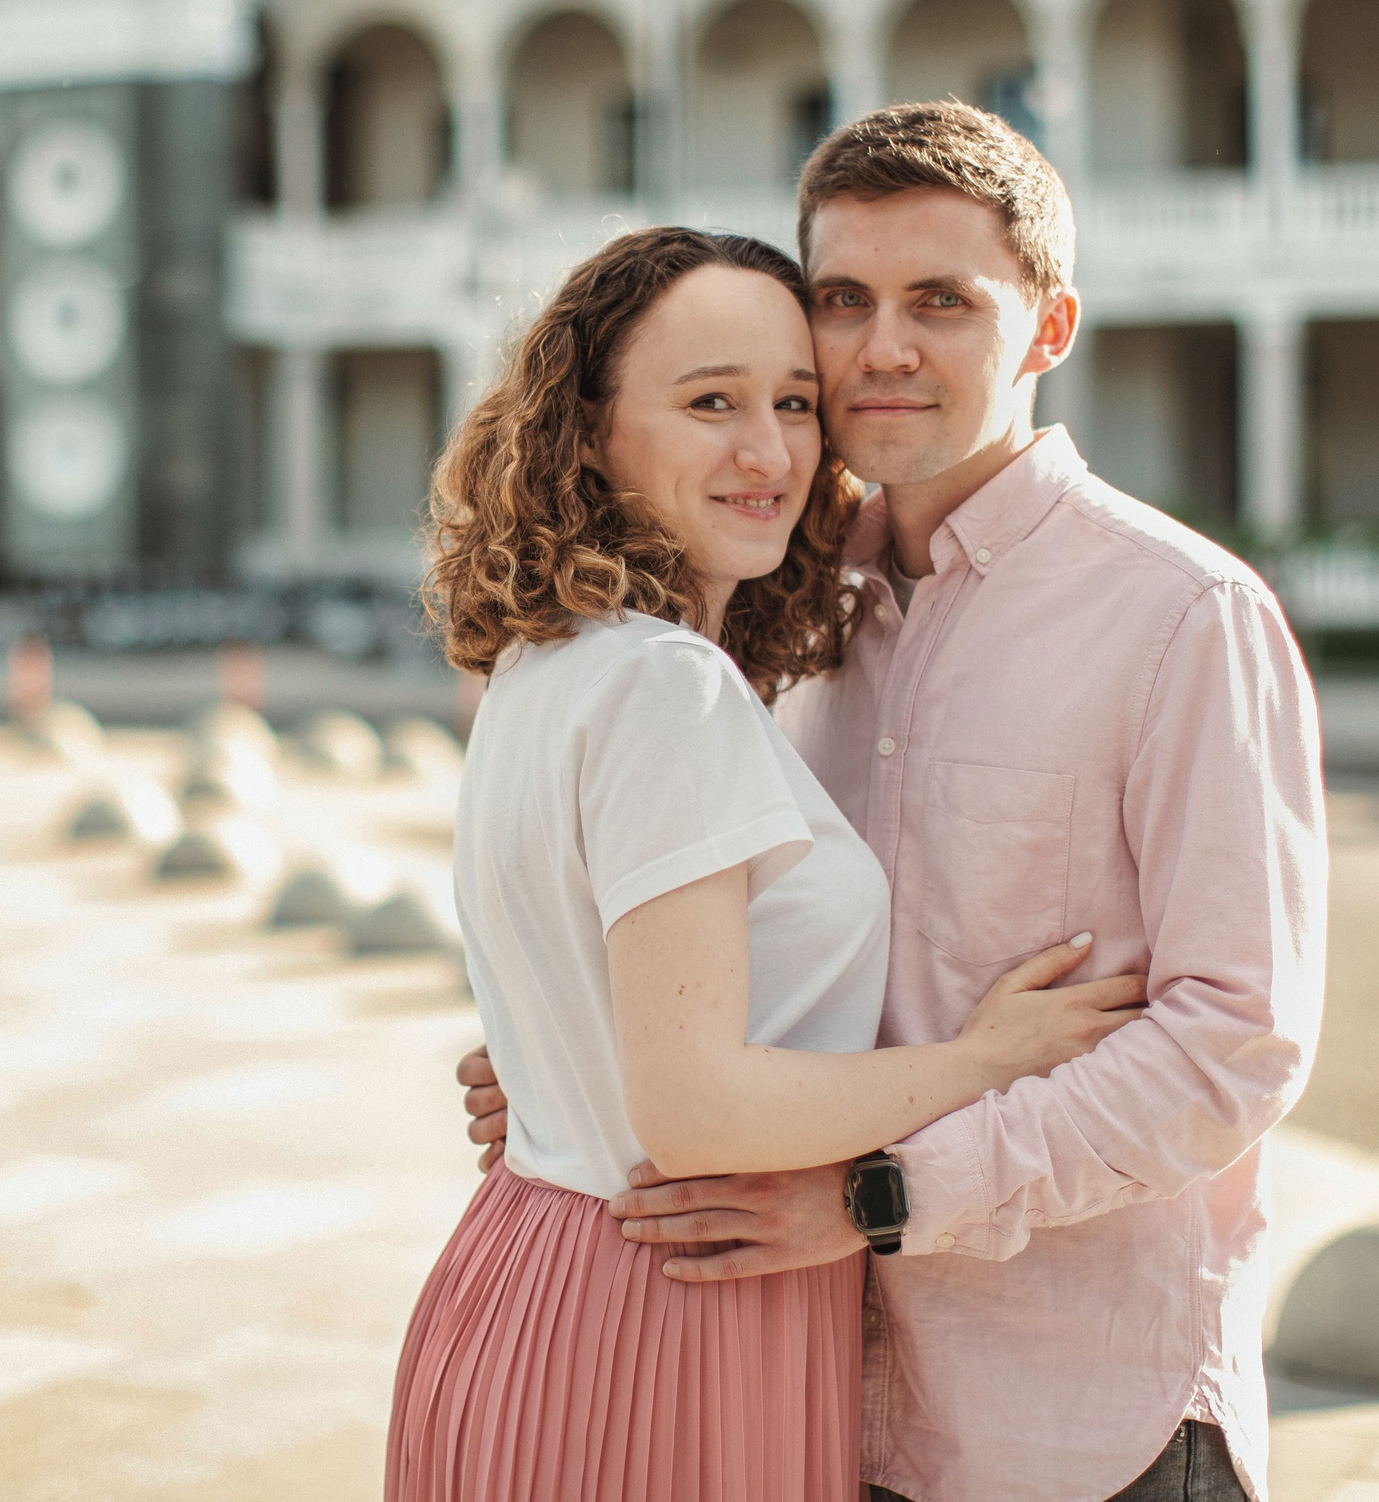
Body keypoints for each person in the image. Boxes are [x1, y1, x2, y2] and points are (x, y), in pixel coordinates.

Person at [460, 102, 1328, 1502]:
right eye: (846, 300)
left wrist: (883, 1197)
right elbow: (741, 956)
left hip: (1074, 1420)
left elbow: (1237, 1041)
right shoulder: (782, 606)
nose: (882, 347)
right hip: (797, 1396)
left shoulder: (1186, 617)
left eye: (944, 302)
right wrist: (576, 1055)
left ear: (1047, 330)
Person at [389, 225, 1148, 1502]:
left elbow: (602, 1023)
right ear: (586, 433)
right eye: (710, 404)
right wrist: (982, 1062)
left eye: (794, 403)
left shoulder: (546, 658)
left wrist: (543, 1072)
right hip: (666, 1310)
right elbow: (694, 1113)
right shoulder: (664, 684)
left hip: (532, 1269)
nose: (770, 451)